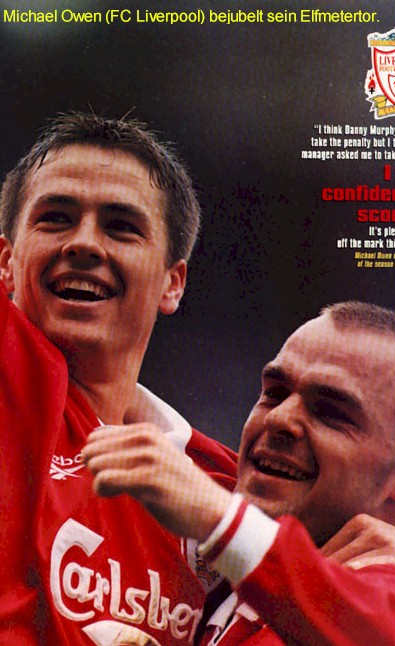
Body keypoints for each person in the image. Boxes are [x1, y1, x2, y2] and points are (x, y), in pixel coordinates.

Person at [0, 110, 237, 645]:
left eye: (121, 226)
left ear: (173, 284)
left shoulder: (220, 489)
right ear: (6, 263)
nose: (84, 243)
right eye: (55, 218)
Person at [84, 301, 395, 644]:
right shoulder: (224, 581)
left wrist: (218, 519)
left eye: (331, 413)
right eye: (274, 393)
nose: (278, 417)